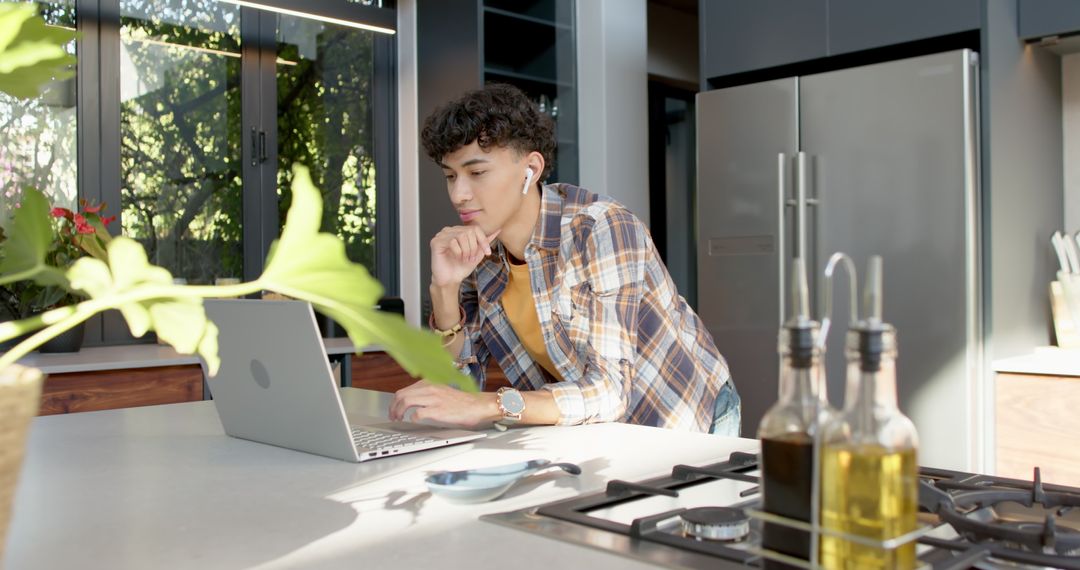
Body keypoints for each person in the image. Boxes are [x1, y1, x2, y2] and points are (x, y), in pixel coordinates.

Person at [389, 83, 740, 435]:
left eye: (477, 173)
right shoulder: (478, 255)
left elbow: (610, 391)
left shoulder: (599, 228)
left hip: (685, 415)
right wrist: (445, 289)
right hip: (597, 429)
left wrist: (493, 405)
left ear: (531, 169)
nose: (459, 195)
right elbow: (458, 390)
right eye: (450, 176)